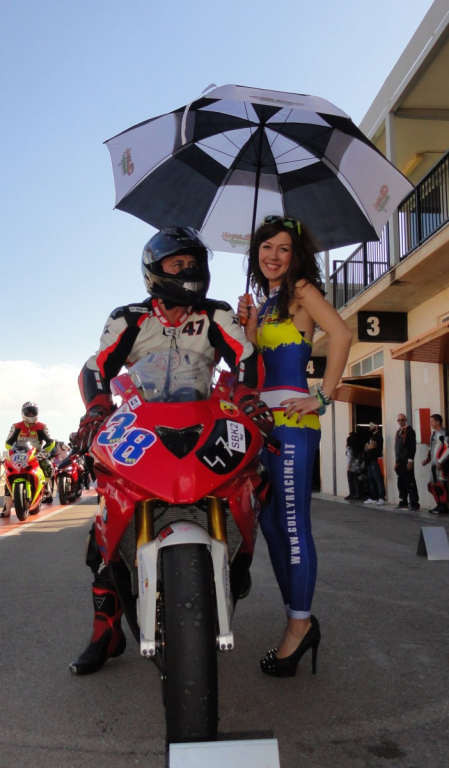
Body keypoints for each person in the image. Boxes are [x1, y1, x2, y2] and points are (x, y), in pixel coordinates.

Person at [70, 226, 274, 675]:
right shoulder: (129, 317)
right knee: (104, 518)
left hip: (205, 414)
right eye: (176, 263)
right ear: (153, 270)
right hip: (140, 420)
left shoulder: (217, 312)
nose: (187, 269)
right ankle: (106, 631)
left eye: (193, 262)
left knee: (257, 479)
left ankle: (238, 560)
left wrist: (247, 397)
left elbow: (244, 357)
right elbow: (97, 366)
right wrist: (96, 409)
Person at [238, 214, 352, 678]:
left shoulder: (302, 290)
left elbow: (341, 334)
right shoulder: (268, 303)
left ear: (296, 255)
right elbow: (258, 363)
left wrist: (322, 396)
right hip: (264, 427)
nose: (273, 255)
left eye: (283, 248)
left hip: (293, 425)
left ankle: (299, 625)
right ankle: (297, 618)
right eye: (266, 247)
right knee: (269, 524)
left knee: (291, 524)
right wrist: (249, 328)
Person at [1, 402, 55, 517]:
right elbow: (8, 443)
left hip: (36, 454)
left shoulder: (42, 426)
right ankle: (6, 508)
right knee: (9, 473)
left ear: (37, 413)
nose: (30, 414)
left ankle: (45, 486)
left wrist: (43, 452)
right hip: (18, 454)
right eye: (28, 412)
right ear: (23, 413)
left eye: (32, 412)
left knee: (48, 466)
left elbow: (51, 442)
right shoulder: (16, 426)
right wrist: (11, 452)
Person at [422, 414, 448, 514]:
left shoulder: (444, 433)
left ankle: (443, 506)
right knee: (432, 485)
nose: (430, 423)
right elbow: (431, 448)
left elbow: (448, 449)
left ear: (438, 422)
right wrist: (427, 460)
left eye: (432, 421)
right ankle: (438, 505)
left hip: (441, 465)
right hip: (433, 464)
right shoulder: (433, 434)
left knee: (440, 484)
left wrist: (441, 462)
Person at [393, 414, 419, 511]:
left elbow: (412, 447)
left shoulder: (410, 431)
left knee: (409, 481)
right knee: (401, 482)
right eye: (398, 420)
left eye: (402, 420)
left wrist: (410, 460)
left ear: (405, 420)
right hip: (399, 461)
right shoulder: (398, 432)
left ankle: (414, 503)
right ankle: (403, 501)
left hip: (406, 460)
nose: (400, 422)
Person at [363, 422, 386, 506]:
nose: (370, 427)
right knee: (371, 479)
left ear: (376, 426)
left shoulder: (378, 435)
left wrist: (368, 446)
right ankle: (373, 497)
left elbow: (371, 446)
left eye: (372, 425)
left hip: (375, 460)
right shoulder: (372, 436)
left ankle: (381, 497)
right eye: (369, 425)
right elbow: (366, 448)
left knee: (378, 478)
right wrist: (368, 446)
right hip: (369, 460)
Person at [345, 432, 363, 500]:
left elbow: (350, 457)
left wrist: (348, 466)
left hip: (351, 467)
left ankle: (352, 494)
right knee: (355, 481)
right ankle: (357, 494)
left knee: (350, 481)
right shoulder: (358, 447)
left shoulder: (349, 448)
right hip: (357, 466)